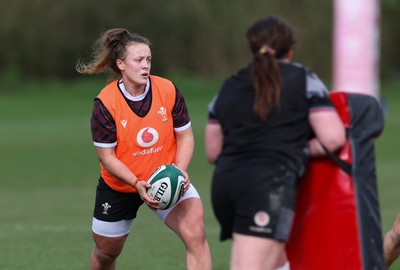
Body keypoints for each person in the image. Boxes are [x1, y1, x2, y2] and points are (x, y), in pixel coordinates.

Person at [205, 16, 346, 270]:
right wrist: (300, 148)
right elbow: (334, 138)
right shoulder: (304, 79)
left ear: (252, 48)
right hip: (267, 188)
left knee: (277, 261)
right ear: (289, 49)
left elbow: (213, 152)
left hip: (225, 186)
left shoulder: (229, 85)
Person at [76, 28, 212, 270]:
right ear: (121, 64)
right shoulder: (105, 103)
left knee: (196, 234)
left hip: (166, 178)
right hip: (120, 185)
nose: (145, 65)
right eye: (138, 60)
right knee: (106, 253)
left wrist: (178, 173)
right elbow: (106, 157)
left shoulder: (168, 90)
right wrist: (136, 183)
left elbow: (185, 137)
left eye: (148, 59)